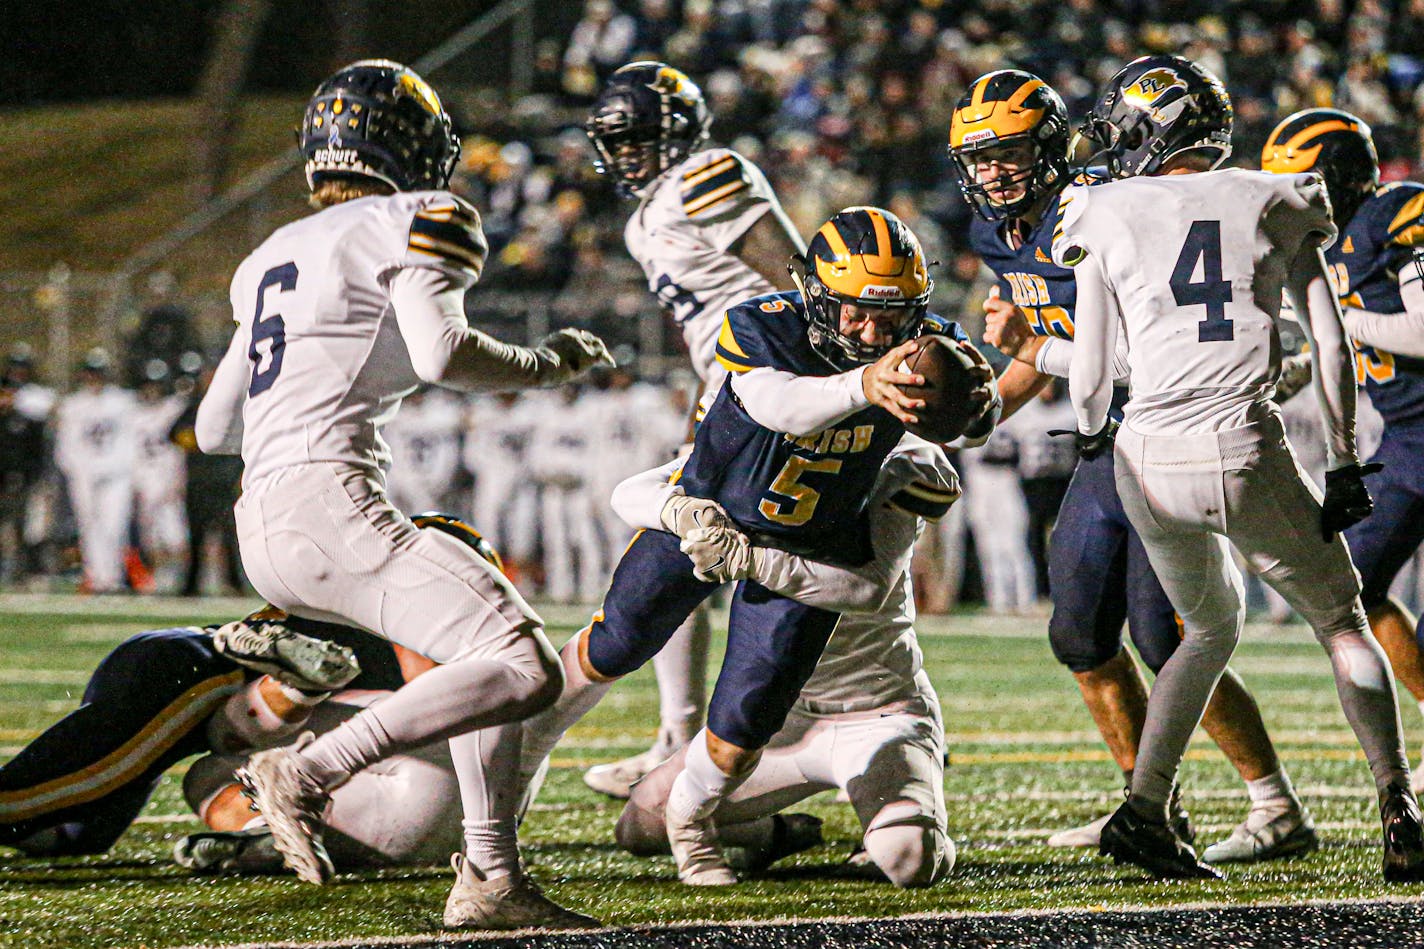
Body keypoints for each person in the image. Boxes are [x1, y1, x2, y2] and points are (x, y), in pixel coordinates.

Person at [193, 60, 612, 929]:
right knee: (522, 663)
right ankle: (305, 771)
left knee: (483, 648)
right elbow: (440, 355)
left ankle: (492, 879)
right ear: (413, 146)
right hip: (329, 496)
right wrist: (548, 365)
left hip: (261, 519)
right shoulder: (420, 214)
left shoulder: (269, 253)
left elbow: (212, 428)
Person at [516, 205, 999, 885]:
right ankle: (523, 751)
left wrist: (977, 405)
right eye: (855, 311)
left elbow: (971, 416)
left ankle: (697, 827)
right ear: (816, 296)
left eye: (890, 318)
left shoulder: (919, 394)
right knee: (618, 637)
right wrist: (679, 511)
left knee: (743, 718)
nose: (871, 332)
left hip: (805, 553)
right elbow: (779, 407)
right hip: (720, 507)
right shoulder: (765, 325)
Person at [1059, 54, 1424, 881]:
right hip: (1243, 444)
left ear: (1159, 130)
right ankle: (1398, 806)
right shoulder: (1276, 195)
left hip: (1144, 453)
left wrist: (1089, 437)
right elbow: (1329, 346)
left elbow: (1091, 371)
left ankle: (1145, 809)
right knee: (1340, 622)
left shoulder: (1104, 209)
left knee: (1207, 630)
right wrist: (1340, 460)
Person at [947, 68, 1314, 863]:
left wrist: (1029, 351)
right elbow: (1039, 357)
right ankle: (1151, 804)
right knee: (1079, 634)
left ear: (1051, 145)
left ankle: (1273, 801)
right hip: (1098, 445)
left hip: (1165, 429)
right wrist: (971, 414)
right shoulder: (995, 236)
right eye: (978, 160)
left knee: (1167, 633)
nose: (993, 173)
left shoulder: (1110, 206)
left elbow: (1140, 353)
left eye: (1008, 153)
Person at [581, 60, 808, 797]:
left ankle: (706, 737)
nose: (624, 153)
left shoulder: (707, 173)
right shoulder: (645, 213)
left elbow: (792, 277)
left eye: (637, 136)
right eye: (615, 140)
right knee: (685, 552)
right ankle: (684, 734)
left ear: (679, 131)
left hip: (768, 382)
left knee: (693, 553)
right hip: (730, 388)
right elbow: (703, 325)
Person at [609, 437, 960, 888]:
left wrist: (748, 560)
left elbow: (863, 591)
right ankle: (773, 835)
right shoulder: (763, 443)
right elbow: (630, 492)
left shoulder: (900, 455)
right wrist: (678, 511)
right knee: (639, 827)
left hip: (877, 711)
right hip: (778, 713)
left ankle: (921, 817)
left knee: (908, 858)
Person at [1262, 109, 1424, 784]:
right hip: (1411, 441)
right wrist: (1299, 365)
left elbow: (1420, 333)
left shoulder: (1400, 212)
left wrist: (1335, 320)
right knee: (1354, 585)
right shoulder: (1324, 243)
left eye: (1300, 181)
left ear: (1340, 178)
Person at [0, 611, 363, 858]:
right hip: (191, 673)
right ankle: (298, 685)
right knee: (31, 799)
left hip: (178, 657)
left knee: (82, 836)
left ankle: (261, 834)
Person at [54, 348, 135, 594]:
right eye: (91, 373)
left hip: (115, 474)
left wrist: (125, 467)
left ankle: (113, 576)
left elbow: (131, 439)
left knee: (114, 526)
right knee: (89, 526)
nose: (94, 378)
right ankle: (96, 577)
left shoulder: (122, 402)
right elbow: (66, 444)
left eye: (97, 373)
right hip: (85, 474)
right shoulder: (73, 405)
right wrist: (75, 470)